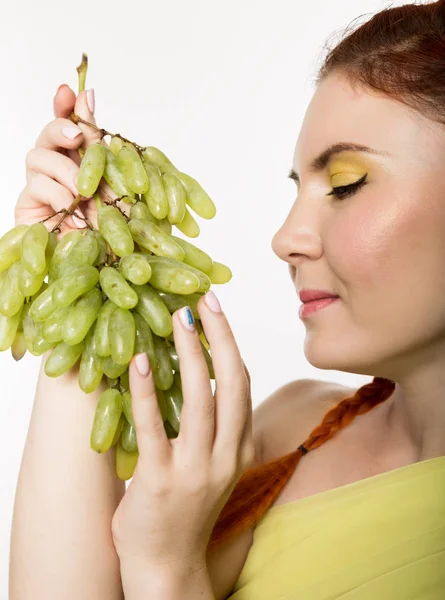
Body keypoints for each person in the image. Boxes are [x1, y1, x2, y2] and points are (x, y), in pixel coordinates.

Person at [8, 0, 445, 598]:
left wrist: (167, 569)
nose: (285, 238)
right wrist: (74, 273)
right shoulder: (299, 429)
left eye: (345, 184)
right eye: (300, 188)